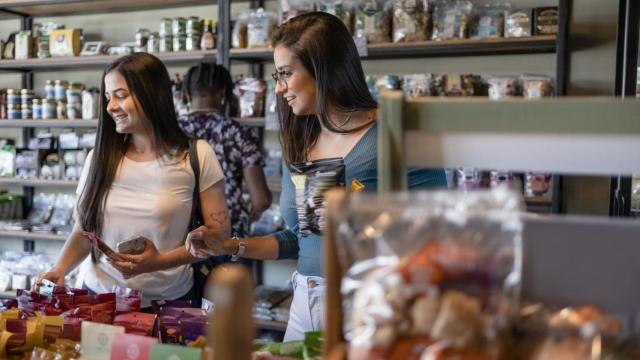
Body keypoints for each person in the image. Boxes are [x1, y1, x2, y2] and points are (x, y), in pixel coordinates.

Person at [186, 12, 447, 340]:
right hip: (304, 303)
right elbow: (299, 238)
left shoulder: (395, 134)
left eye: (285, 74)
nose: (279, 88)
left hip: (369, 303)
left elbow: (437, 233)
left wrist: (361, 223)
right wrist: (227, 244)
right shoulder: (300, 140)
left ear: (322, 69)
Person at [36, 52, 230, 307]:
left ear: (152, 94)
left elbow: (219, 236)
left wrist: (159, 262)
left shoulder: (196, 155)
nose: (110, 106)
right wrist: (59, 269)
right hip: (98, 299)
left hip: (168, 304)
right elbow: (84, 231)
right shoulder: (99, 158)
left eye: (121, 95)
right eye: (108, 97)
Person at [178, 62, 271, 238]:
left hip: (182, 230)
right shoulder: (240, 132)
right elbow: (262, 199)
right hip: (228, 229)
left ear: (187, 93)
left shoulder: (171, 131)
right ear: (223, 93)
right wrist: (252, 211)